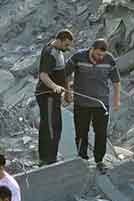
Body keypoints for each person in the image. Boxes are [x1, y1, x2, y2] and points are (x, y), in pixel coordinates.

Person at [69, 39, 121, 172]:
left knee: (101, 133)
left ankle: (99, 161)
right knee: (81, 132)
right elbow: (65, 74)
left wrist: (116, 100)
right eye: (98, 54)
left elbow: (116, 81)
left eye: (102, 55)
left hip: (101, 104)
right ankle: (82, 159)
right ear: (91, 49)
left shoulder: (109, 60)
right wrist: (67, 93)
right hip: (81, 103)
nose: (100, 57)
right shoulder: (78, 57)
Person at [36, 29, 74, 165]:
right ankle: (48, 158)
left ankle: (50, 156)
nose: (67, 48)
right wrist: (54, 86)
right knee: (50, 126)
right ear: (59, 40)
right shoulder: (50, 53)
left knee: (55, 125)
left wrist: (67, 92)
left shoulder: (59, 52)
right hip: (47, 95)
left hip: (54, 96)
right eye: (66, 44)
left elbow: (63, 75)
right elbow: (43, 75)